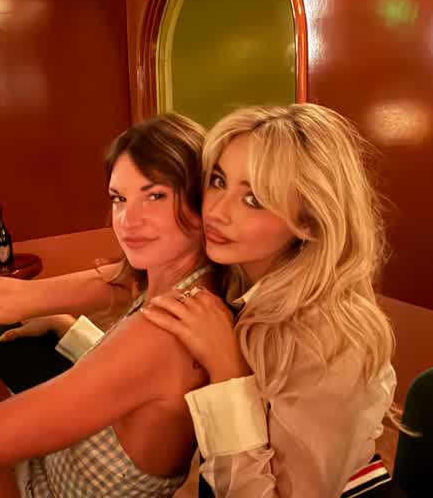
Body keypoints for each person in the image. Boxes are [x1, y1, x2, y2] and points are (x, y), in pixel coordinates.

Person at [141, 104, 405, 497]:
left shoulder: (330, 340)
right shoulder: (234, 279)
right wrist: (74, 331)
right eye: (218, 181)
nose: (216, 211)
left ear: (310, 221)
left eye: (254, 199)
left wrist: (228, 371)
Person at [0, 112, 216, 497]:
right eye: (119, 198)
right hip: (46, 466)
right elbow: (11, 298)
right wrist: (64, 324)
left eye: (155, 195)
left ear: (202, 199)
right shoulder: (159, 275)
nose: (128, 220)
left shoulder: (164, 331)